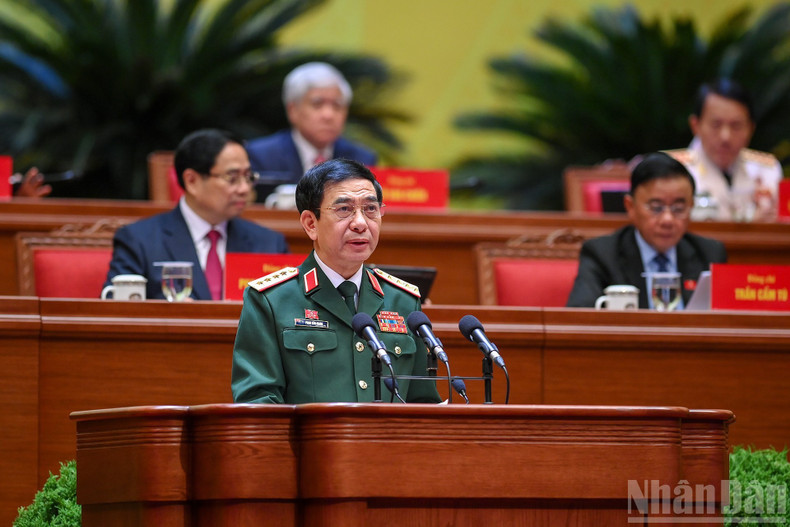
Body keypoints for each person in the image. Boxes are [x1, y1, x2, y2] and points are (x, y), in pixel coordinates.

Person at [232, 158, 440, 404]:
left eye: (371, 209)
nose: (361, 223)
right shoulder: (271, 300)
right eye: (344, 209)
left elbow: (422, 405)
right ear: (311, 224)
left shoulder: (403, 300)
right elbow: (258, 403)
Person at [104, 129, 289, 300]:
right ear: (192, 181)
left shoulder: (270, 243)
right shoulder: (139, 241)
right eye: (232, 178)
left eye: (248, 177)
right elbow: (116, 312)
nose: (244, 189)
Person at [566, 152, 727, 309]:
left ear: (691, 206)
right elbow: (579, 314)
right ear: (630, 206)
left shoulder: (709, 254)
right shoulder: (602, 254)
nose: (667, 220)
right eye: (656, 208)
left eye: (678, 208)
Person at [245, 62, 377, 202]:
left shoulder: (362, 159)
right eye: (317, 104)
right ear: (293, 110)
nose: (328, 115)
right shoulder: (261, 156)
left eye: (337, 105)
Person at [667, 78, 784, 222]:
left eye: (736, 126)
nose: (725, 137)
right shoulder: (671, 169)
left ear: (751, 129)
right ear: (695, 125)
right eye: (716, 125)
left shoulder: (768, 169)